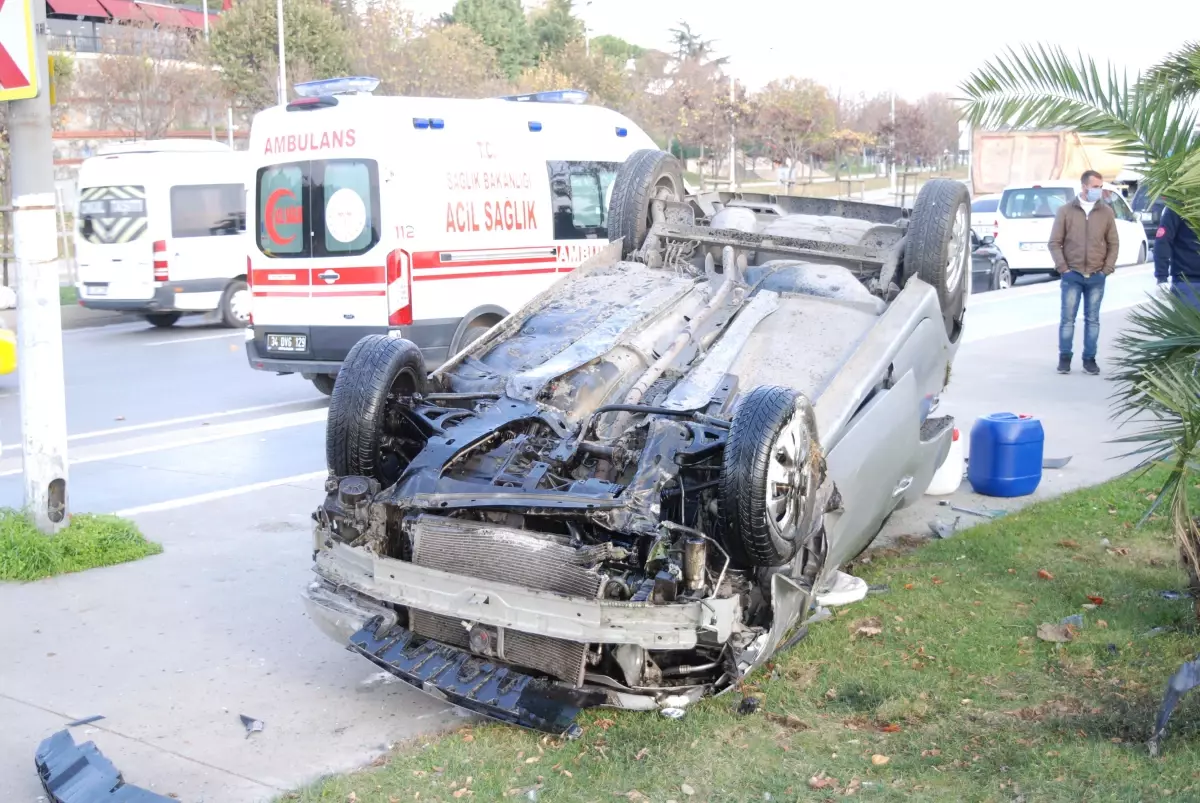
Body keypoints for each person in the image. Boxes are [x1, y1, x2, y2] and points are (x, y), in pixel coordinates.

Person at [1048, 170, 1120, 375]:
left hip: (1097, 275)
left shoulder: (1106, 212)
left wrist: (1106, 269)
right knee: (1068, 319)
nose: (1099, 190)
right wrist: (1064, 268)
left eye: (1101, 187)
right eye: (1095, 187)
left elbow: (1113, 243)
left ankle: (1089, 359)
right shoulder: (1065, 211)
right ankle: (1065, 358)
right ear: (1084, 187)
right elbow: (1054, 242)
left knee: (1093, 320)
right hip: (1073, 275)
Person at [1154, 205, 1200, 310]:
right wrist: (1161, 276)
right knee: (1189, 324)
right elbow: (1163, 240)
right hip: (1188, 282)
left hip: (1187, 283)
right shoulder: (1178, 204)